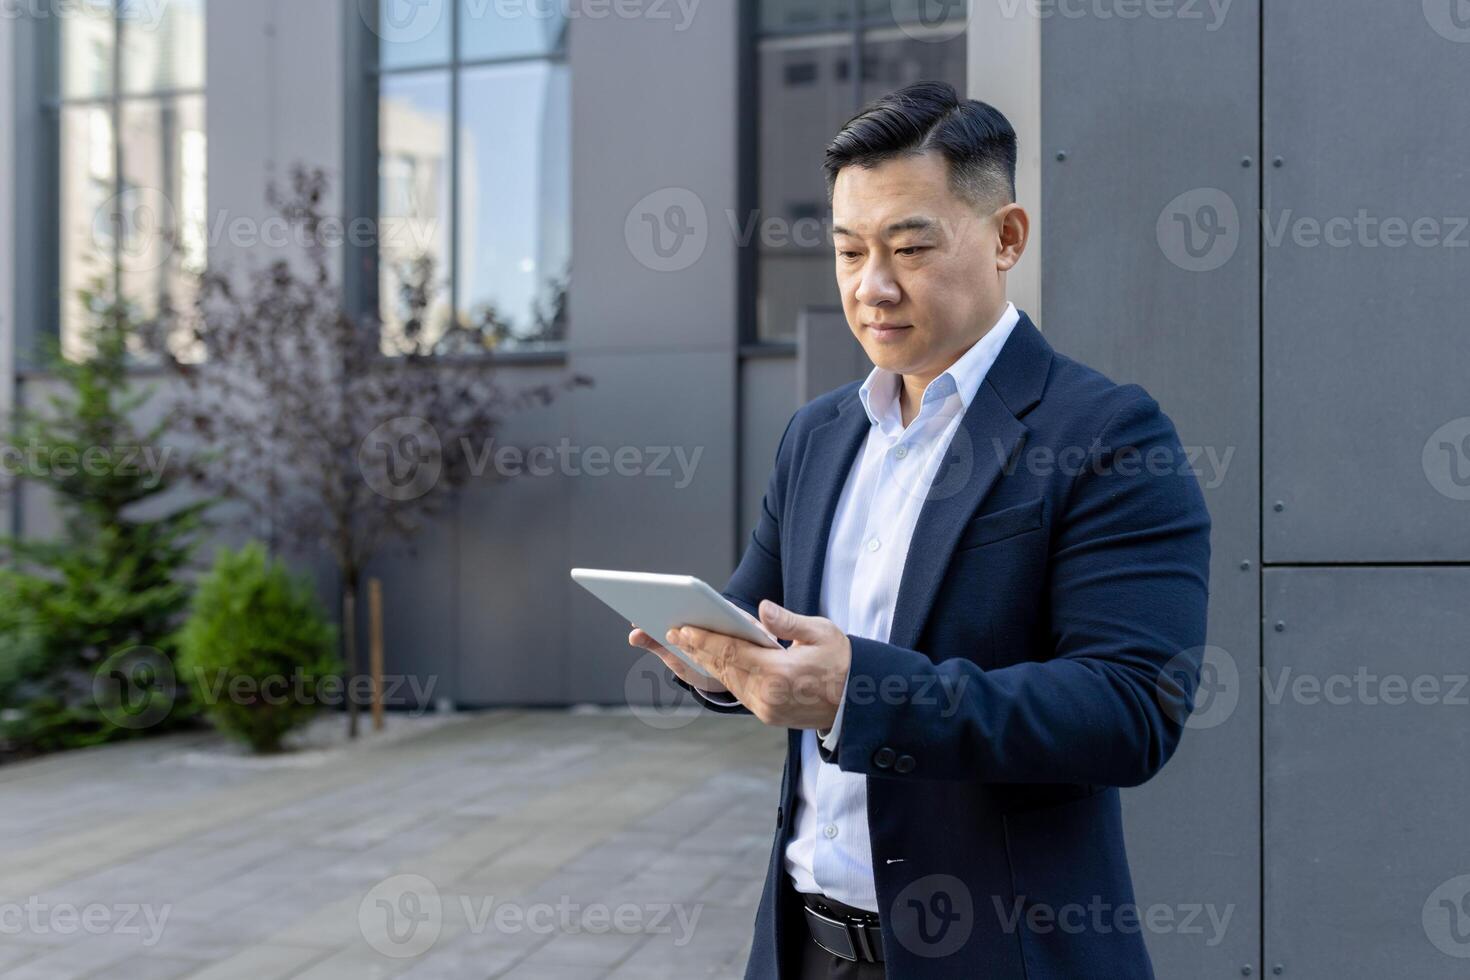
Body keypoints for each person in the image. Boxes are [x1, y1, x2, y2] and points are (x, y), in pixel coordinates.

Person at [629, 81, 1211, 979]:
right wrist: (716, 660)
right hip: (802, 948)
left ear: (1006, 237)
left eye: (909, 247)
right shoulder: (818, 434)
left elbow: (1131, 710)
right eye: (849, 250)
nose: (874, 287)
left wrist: (859, 695)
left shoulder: (1107, 435)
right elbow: (760, 611)